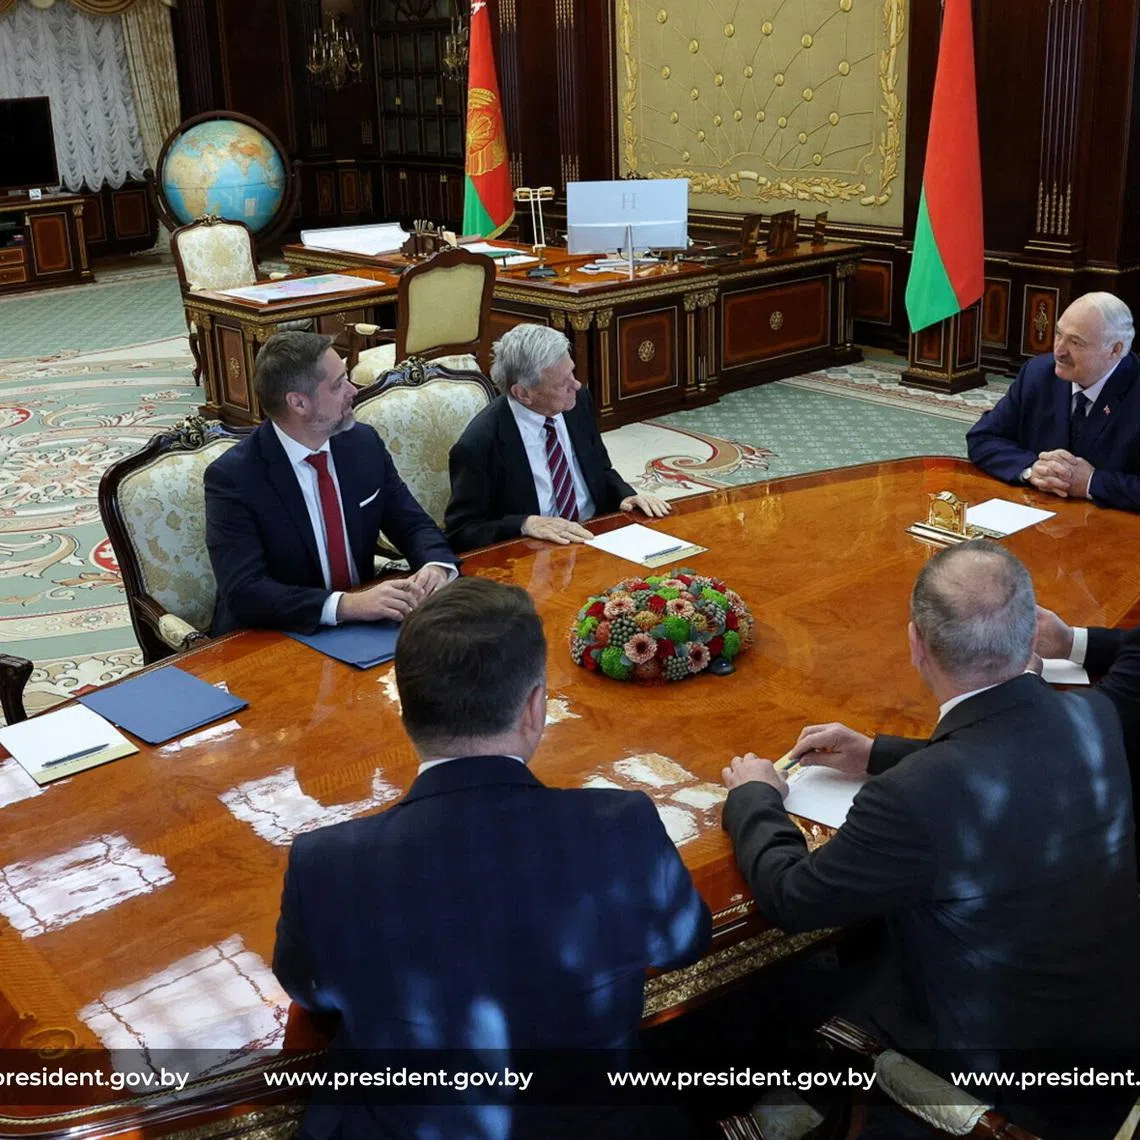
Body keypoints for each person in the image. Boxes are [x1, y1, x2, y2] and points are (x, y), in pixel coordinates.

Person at [721, 540, 1140, 1138]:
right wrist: (876, 753)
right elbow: (1006, 759)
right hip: (1107, 1032)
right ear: (1029, 637)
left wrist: (754, 797)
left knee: (796, 978)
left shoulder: (912, 798)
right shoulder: (1092, 715)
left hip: (1005, 1078)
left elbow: (794, 899)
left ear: (916, 643)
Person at [272, 577, 711, 1140]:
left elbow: (312, 992)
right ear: (535, 707)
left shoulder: (325, 863)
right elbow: (684, 945)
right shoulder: (620, 824)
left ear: (405, 709)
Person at [204, 331, 456, 635]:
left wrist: (435, 566)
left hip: (364, 629)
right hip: (275, 636)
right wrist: (345, 606)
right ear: (298, 403)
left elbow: (413, 524)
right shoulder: (234, 478)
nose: (353, 391)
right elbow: (245, 592)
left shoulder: (362, 444)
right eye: (338, 385)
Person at [444, 323, 671, 553]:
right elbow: (462, 531)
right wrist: (524, 524)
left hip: (597, 534)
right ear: (523, 393)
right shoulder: (479, 445)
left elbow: (600, 470)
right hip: (535, 552)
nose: (576, 384)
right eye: (562, 383)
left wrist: (625, 496)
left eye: (571, 372)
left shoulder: (578, 401)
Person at [966, 291, 1140, 510]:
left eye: (1076, 343)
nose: (1059, 351)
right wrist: (1032, 469)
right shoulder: (1038, 373)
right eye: (1059, 334)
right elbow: (982, 438)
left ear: (1115, 350)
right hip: (1036, 518)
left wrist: (1091, 482)